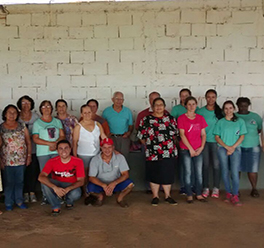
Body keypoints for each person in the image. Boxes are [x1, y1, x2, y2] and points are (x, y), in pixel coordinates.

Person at [137, 97, 178, 206]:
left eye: (161, 105)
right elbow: (141, 136)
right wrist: (149, 146)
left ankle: (167, 196)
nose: (159, 107)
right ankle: (155, 196)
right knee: (154, 173)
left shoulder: (171, 119)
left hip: (168, 151)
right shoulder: (146, 120)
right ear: (152, 107)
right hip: (152, 152)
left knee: (167, 174)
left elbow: (175, 135)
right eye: (156, 105)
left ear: (164, 107)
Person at [38, 140, 85, 216]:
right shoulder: (52, 161)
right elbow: (41, 177)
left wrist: (68, 189)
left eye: (66, 148)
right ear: (57, 150)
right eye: (61, 148)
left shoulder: (78, 161)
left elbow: (81, 181)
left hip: (71, 185)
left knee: (76, 193)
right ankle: (55, 206)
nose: (64, 151)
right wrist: (55, 187)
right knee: (44, 183)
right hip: (57, 184)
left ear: (70, 149)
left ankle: (68, 201)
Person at [214, 100, 247, 206]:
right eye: (226, 108)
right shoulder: (220, 122)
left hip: (236, 148)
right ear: (223, 110)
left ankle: (235, 194)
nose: (228, 110)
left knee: (234, 172)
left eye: (230, 108)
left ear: (234, 109)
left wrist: (232, 147)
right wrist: (226, 147)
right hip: (223, 148)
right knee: (224, 171)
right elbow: (217, 137)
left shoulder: (240, 121)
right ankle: (228, 193)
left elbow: (242, 136)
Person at [32, 100, 65, 205]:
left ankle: (58, 195)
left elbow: (62, 136)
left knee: (57, 174)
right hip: (43, 153)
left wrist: (55, 144)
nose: (46, 108)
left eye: (48, 106)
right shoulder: (37, 123)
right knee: (44, 175)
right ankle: (46, 196)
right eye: (43, 106)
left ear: (52, 109)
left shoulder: (57, 121)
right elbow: (35, 138)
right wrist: (49, 144)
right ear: (40, 109)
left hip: (56, 151)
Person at [0, 105, 31, 211]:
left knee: (19, 181)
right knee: (8, 182)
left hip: (21, 159)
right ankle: (8, 202)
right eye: (9, 112)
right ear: (5, 114)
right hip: (7, 160)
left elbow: (28, 142)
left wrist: (29, 156)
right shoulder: (1, 128)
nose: (12, 114)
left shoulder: (22, 126)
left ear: (17, 114)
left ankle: (19, 200)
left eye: (14, 112)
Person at [86, 138, 134, 208]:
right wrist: (104, 185)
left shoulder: (120, 157)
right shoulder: (95, 159)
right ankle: (100, 196)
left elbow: (125, 174)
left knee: (130, 184)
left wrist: (114, 183)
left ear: (113, 148)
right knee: (89, 188)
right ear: (101, 148)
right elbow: (91, 177)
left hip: (115, 184)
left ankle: (120, 198)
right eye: (104, 147)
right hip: (101, 184)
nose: (107, 150)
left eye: (109, 147)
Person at [177, 96, 207, 204]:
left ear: (196, 105)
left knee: (198, 172)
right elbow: (182, 135)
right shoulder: (181, 118)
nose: (191, 106)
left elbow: (203, 134)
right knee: (188, 172)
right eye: (189, 104)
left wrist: (201, 147)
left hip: (198, 149)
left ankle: (198, 193)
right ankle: (189, 194)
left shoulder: (200, 118)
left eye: (193, 104)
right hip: (186, 149)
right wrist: (190, 149)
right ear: (185, 106)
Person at [72, 105, 106, 193]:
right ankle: (86, 192)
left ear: (92, 113)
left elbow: (103, 137)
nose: (87, 114)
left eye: (89, 112)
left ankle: (95, 191)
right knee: (85, 174)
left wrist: (108, 147)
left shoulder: (97, 124)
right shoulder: (78, 127)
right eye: (85, 113)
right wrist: (75, 156)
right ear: (81, 114)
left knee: (96, 173)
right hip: (83, 154)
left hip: (96, 153)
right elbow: (74, 142)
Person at [197, 89, 223, 199]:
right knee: (205, 166)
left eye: (213, 97)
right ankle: (206, 188)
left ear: (216, 98)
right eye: (208, 97)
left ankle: (216, 188)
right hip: (204, 142)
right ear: (205, 98)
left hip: (217, 142)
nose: (210, 99)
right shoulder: (200, 112)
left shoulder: (220, 112)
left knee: (217, 165)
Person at [171, 88, 196, 195]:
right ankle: (183, 186)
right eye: (182, 95)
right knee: (183, 165)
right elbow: (172, 124)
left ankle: (192, 186)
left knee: (193, 165)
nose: (184, 97)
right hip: (180, 140)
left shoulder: (196, 108)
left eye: (186, 95)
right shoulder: (176, 109)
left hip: (194, 141)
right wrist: (176, 139)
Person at [236, 97, 262, 198]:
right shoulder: (233, 116)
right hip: (238, 147)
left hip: (253, 147)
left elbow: (259, 130)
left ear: (248, 106)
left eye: (245, 106)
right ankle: (236, 189)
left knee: (253, 169)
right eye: (241, 106)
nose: (243, 108)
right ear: (237, 106)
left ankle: (254, 189)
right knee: (236, 169)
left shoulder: (255, 117)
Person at [17, 95, 40, 203]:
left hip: (34, 148)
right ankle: (25, 192)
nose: (26, 105)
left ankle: (32, 192)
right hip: (20, 150)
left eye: (28, 103)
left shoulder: (36, 116)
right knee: (23, 172)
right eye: (23, 103)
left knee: (33, 171)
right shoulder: (16, 116)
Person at [102, 91, 133, 160]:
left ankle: (123, 171)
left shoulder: (127, 111)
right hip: (111, 137)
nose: (119, 101)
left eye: (121, 99)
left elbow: (130, 125)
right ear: (112, 99)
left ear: (123, 100)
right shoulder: (106, 111)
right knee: (111, 157)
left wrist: (128, 133)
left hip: (124, 138)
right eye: (117, 99)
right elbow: (102, 125)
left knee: (124, 158)